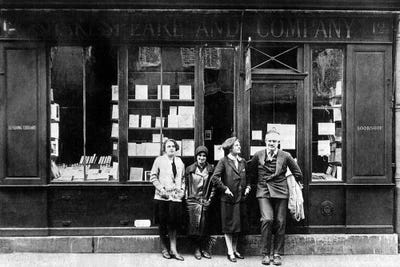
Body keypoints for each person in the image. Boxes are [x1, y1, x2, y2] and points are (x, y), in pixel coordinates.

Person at [248, 129, 303, 266]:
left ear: (278, 142)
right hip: (264, 190)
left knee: (280, 221)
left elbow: (297, 172)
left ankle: (277, 254)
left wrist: (298, 184)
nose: (272, 143)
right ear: (265, 142)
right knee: (267, 219)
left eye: (274, 141)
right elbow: (250, 172)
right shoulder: (258, 155)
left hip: (280, 191)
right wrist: (249, 185)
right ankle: (265, 254)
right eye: (269, 141)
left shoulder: (285, 155)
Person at [211, 137, 251, 262]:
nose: (239, 147)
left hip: (240, 199)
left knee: (237, 226)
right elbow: (215, 178)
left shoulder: (243, 161)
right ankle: (229, 252)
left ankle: (235, 250)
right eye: (237, 145)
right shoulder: (223, 161)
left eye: (239, 145)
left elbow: (248, 177)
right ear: (230, 148)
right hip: (228, 199)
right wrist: (225, 189)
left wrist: (248, 186)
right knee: (229, 226)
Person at [150, 139, 185, 261]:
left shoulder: (180, 161)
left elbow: (183, 178)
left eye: (173, 146)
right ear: (164, 148)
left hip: (175, 198)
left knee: (174, 224)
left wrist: (182, 191)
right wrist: (162, 190)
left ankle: (173, 250)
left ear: (176, 148)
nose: (171, 148)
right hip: (162, 198)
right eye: (168, 146)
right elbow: (153, 177)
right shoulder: (159, 160)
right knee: (163, 224)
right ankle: (164, 249)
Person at [185, 145, 216, 260]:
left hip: (205, 201)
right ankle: (196, 248)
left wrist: (210, 199)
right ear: (196, 157)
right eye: (199, 156)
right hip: (193, 201)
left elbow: (214, 187)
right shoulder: (190, 169)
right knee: (194, 226)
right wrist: (187, 199)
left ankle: (204, 248)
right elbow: (186, 185)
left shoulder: (211, 169)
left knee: (204, 225)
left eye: (204, 156)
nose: (202, 158)